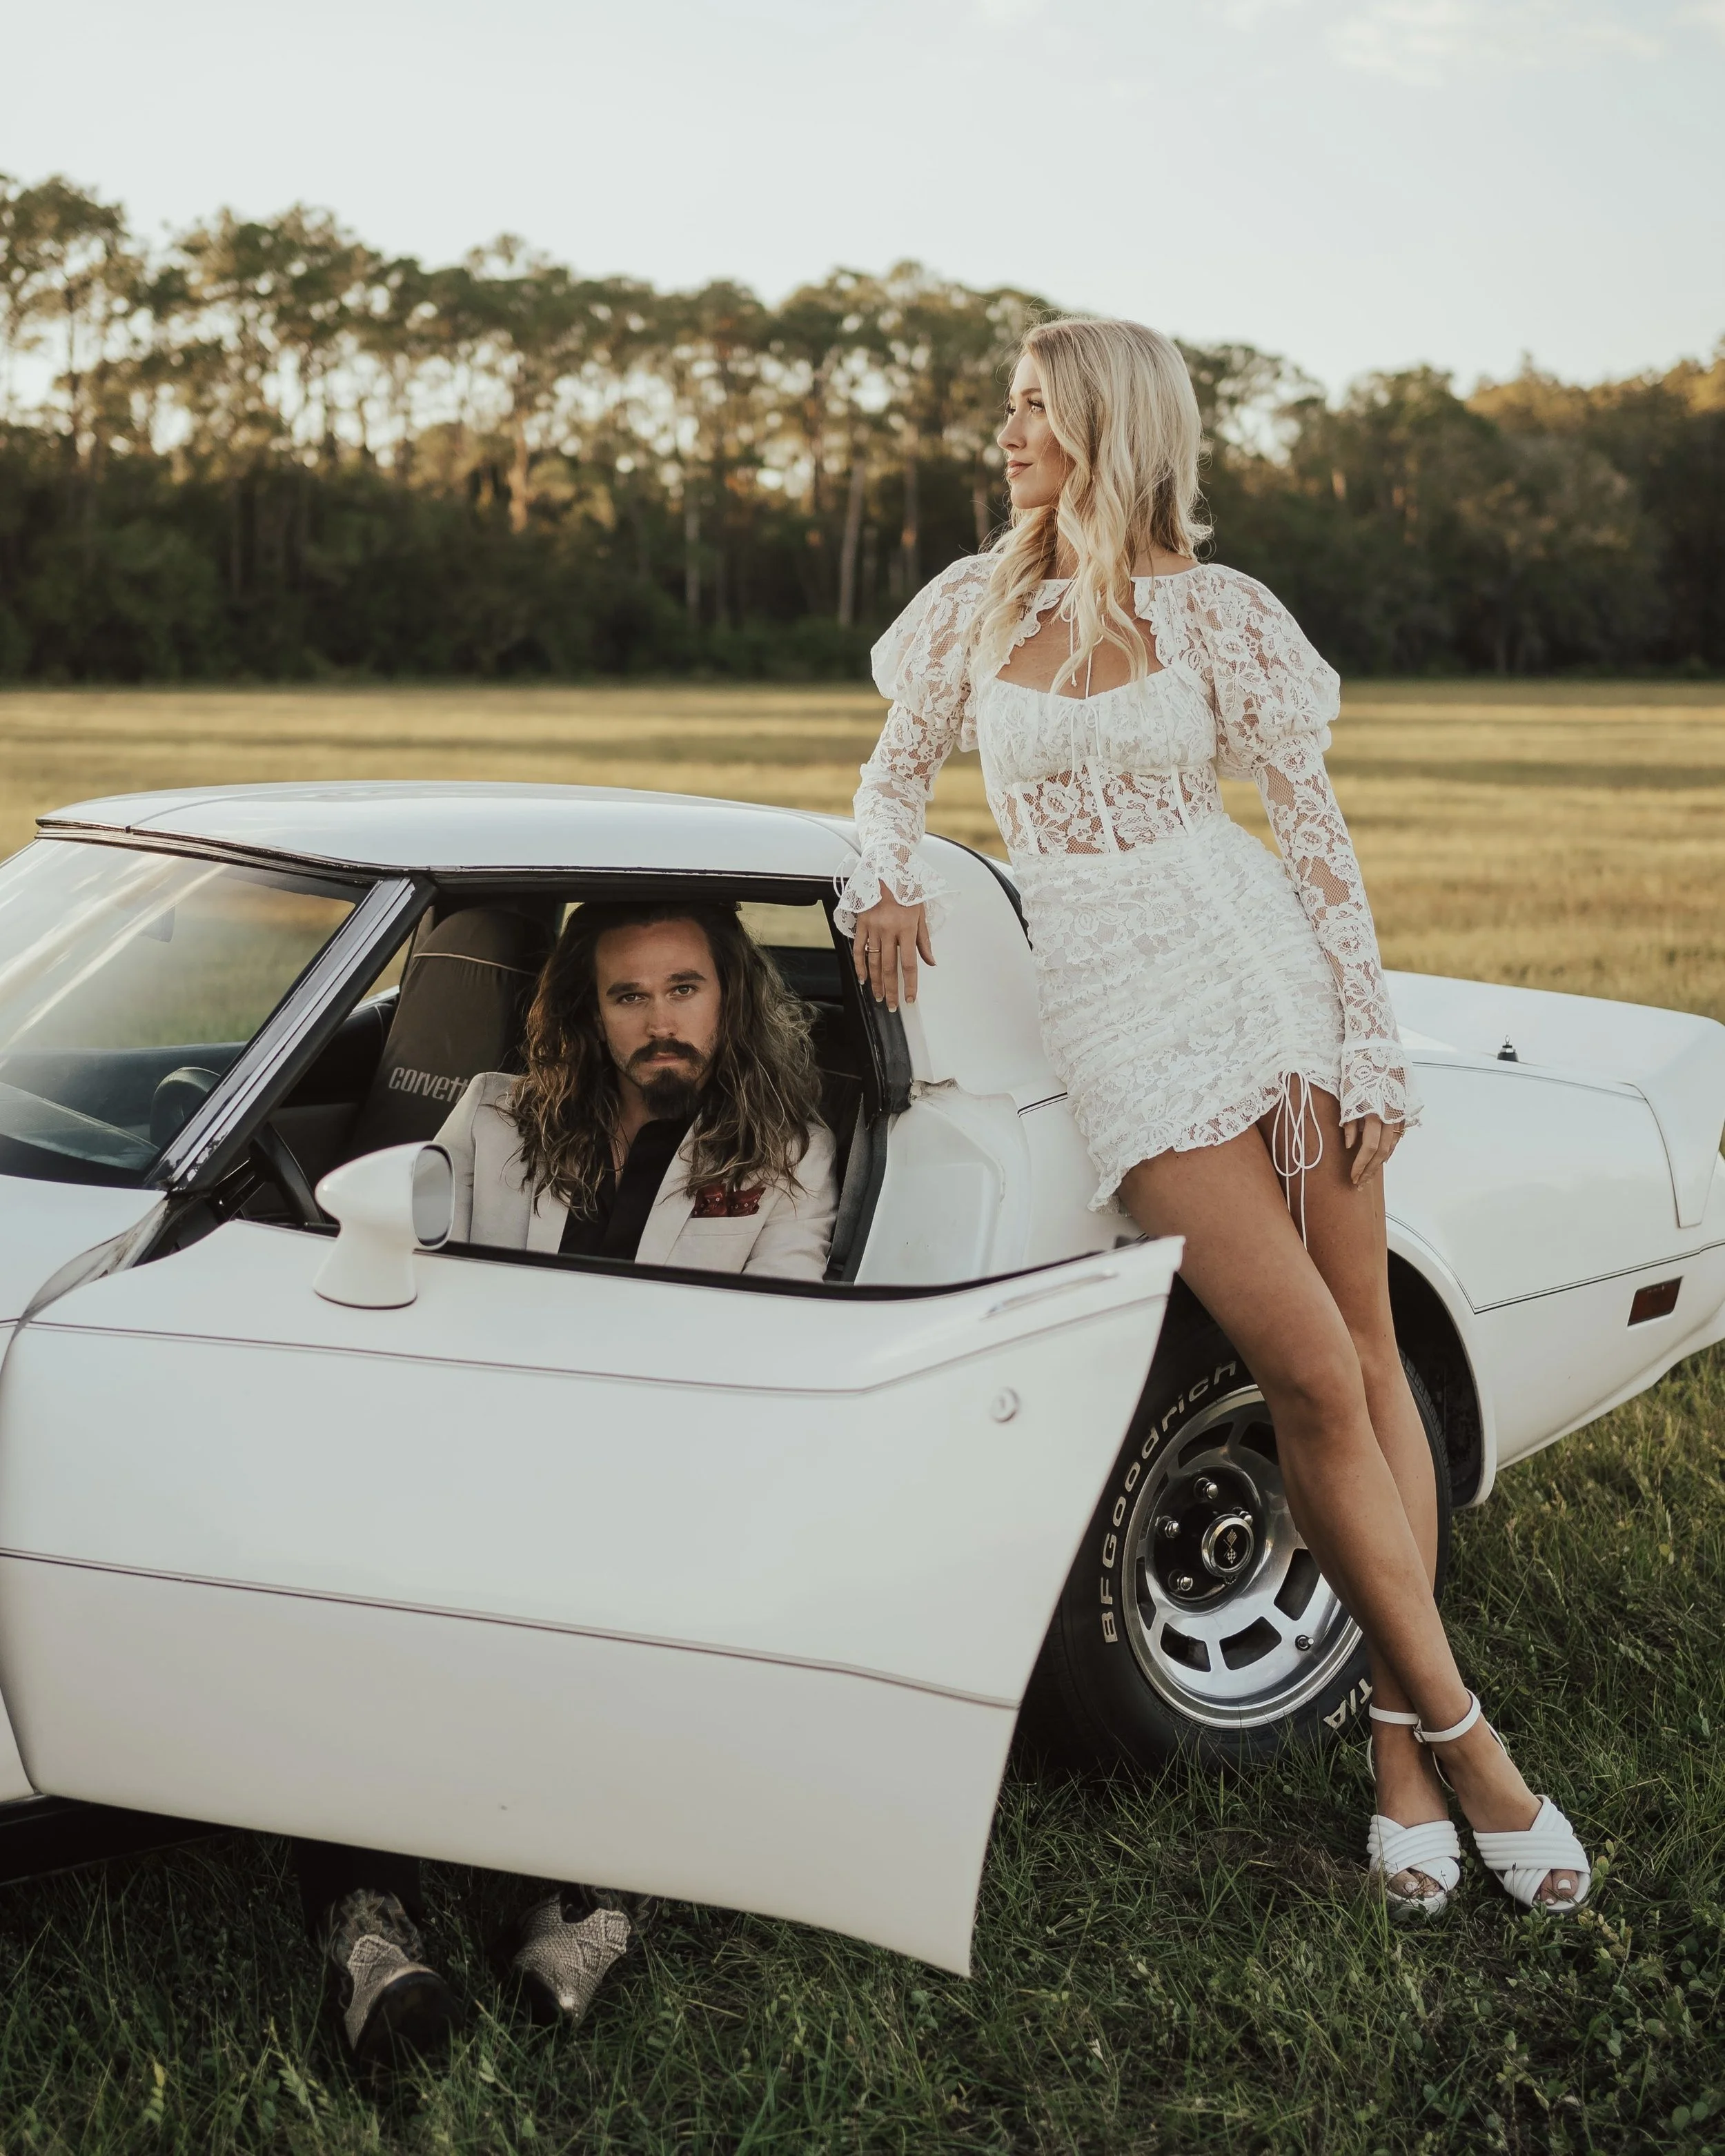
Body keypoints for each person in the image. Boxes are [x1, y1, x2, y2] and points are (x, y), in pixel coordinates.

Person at [840, 317, 1590, 1923]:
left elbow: (1312, 839)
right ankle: (1469, 1737)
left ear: (1109, 426)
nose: (1007, 436)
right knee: (1303, 1365)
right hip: (1112, 1012)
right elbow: (889, 781)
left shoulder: (1222, 614)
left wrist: (1368, 1043)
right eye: (1009, 411)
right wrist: (880, 874)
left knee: (1371, 1354)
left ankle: (1394, 1757)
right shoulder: (979, 602)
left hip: (1265, 987)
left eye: (1033, 412)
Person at [300, 900, 838, 2071]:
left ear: (729, 996)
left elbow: (786, 1345)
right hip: (474, 1443)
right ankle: (372, 1927)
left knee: (622, 1612)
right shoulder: (495, 1115)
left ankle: (577, 1900)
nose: (661, 1025)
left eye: (684, 990)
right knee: (364, 1595)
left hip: (662, 1469)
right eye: (628, 997)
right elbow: (406, 1257)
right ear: (585, 1013)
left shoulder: (786, 1148)